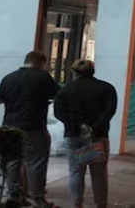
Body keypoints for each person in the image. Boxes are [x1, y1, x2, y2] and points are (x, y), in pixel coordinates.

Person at [0, 50, 61, 208]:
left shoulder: (8, 78)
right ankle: (38, 198)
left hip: (9, 126)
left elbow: (0, 99)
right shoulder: (42, 76)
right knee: (36, 162)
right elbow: (58, 94)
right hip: (33, 126)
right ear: (41, 62)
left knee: (13, 162)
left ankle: (14, 196)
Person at [54, 59, 117, 208]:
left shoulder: (65, 90)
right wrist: (94, 127)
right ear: (93, 71)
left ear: (74, 72)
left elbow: (59, 113)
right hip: (97, 136)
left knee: (76, 172)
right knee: (99, 173)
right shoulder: (106, 88)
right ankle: (100, 204)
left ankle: (77, 203)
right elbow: (109, 111)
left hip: (73, 136)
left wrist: (75, 126)